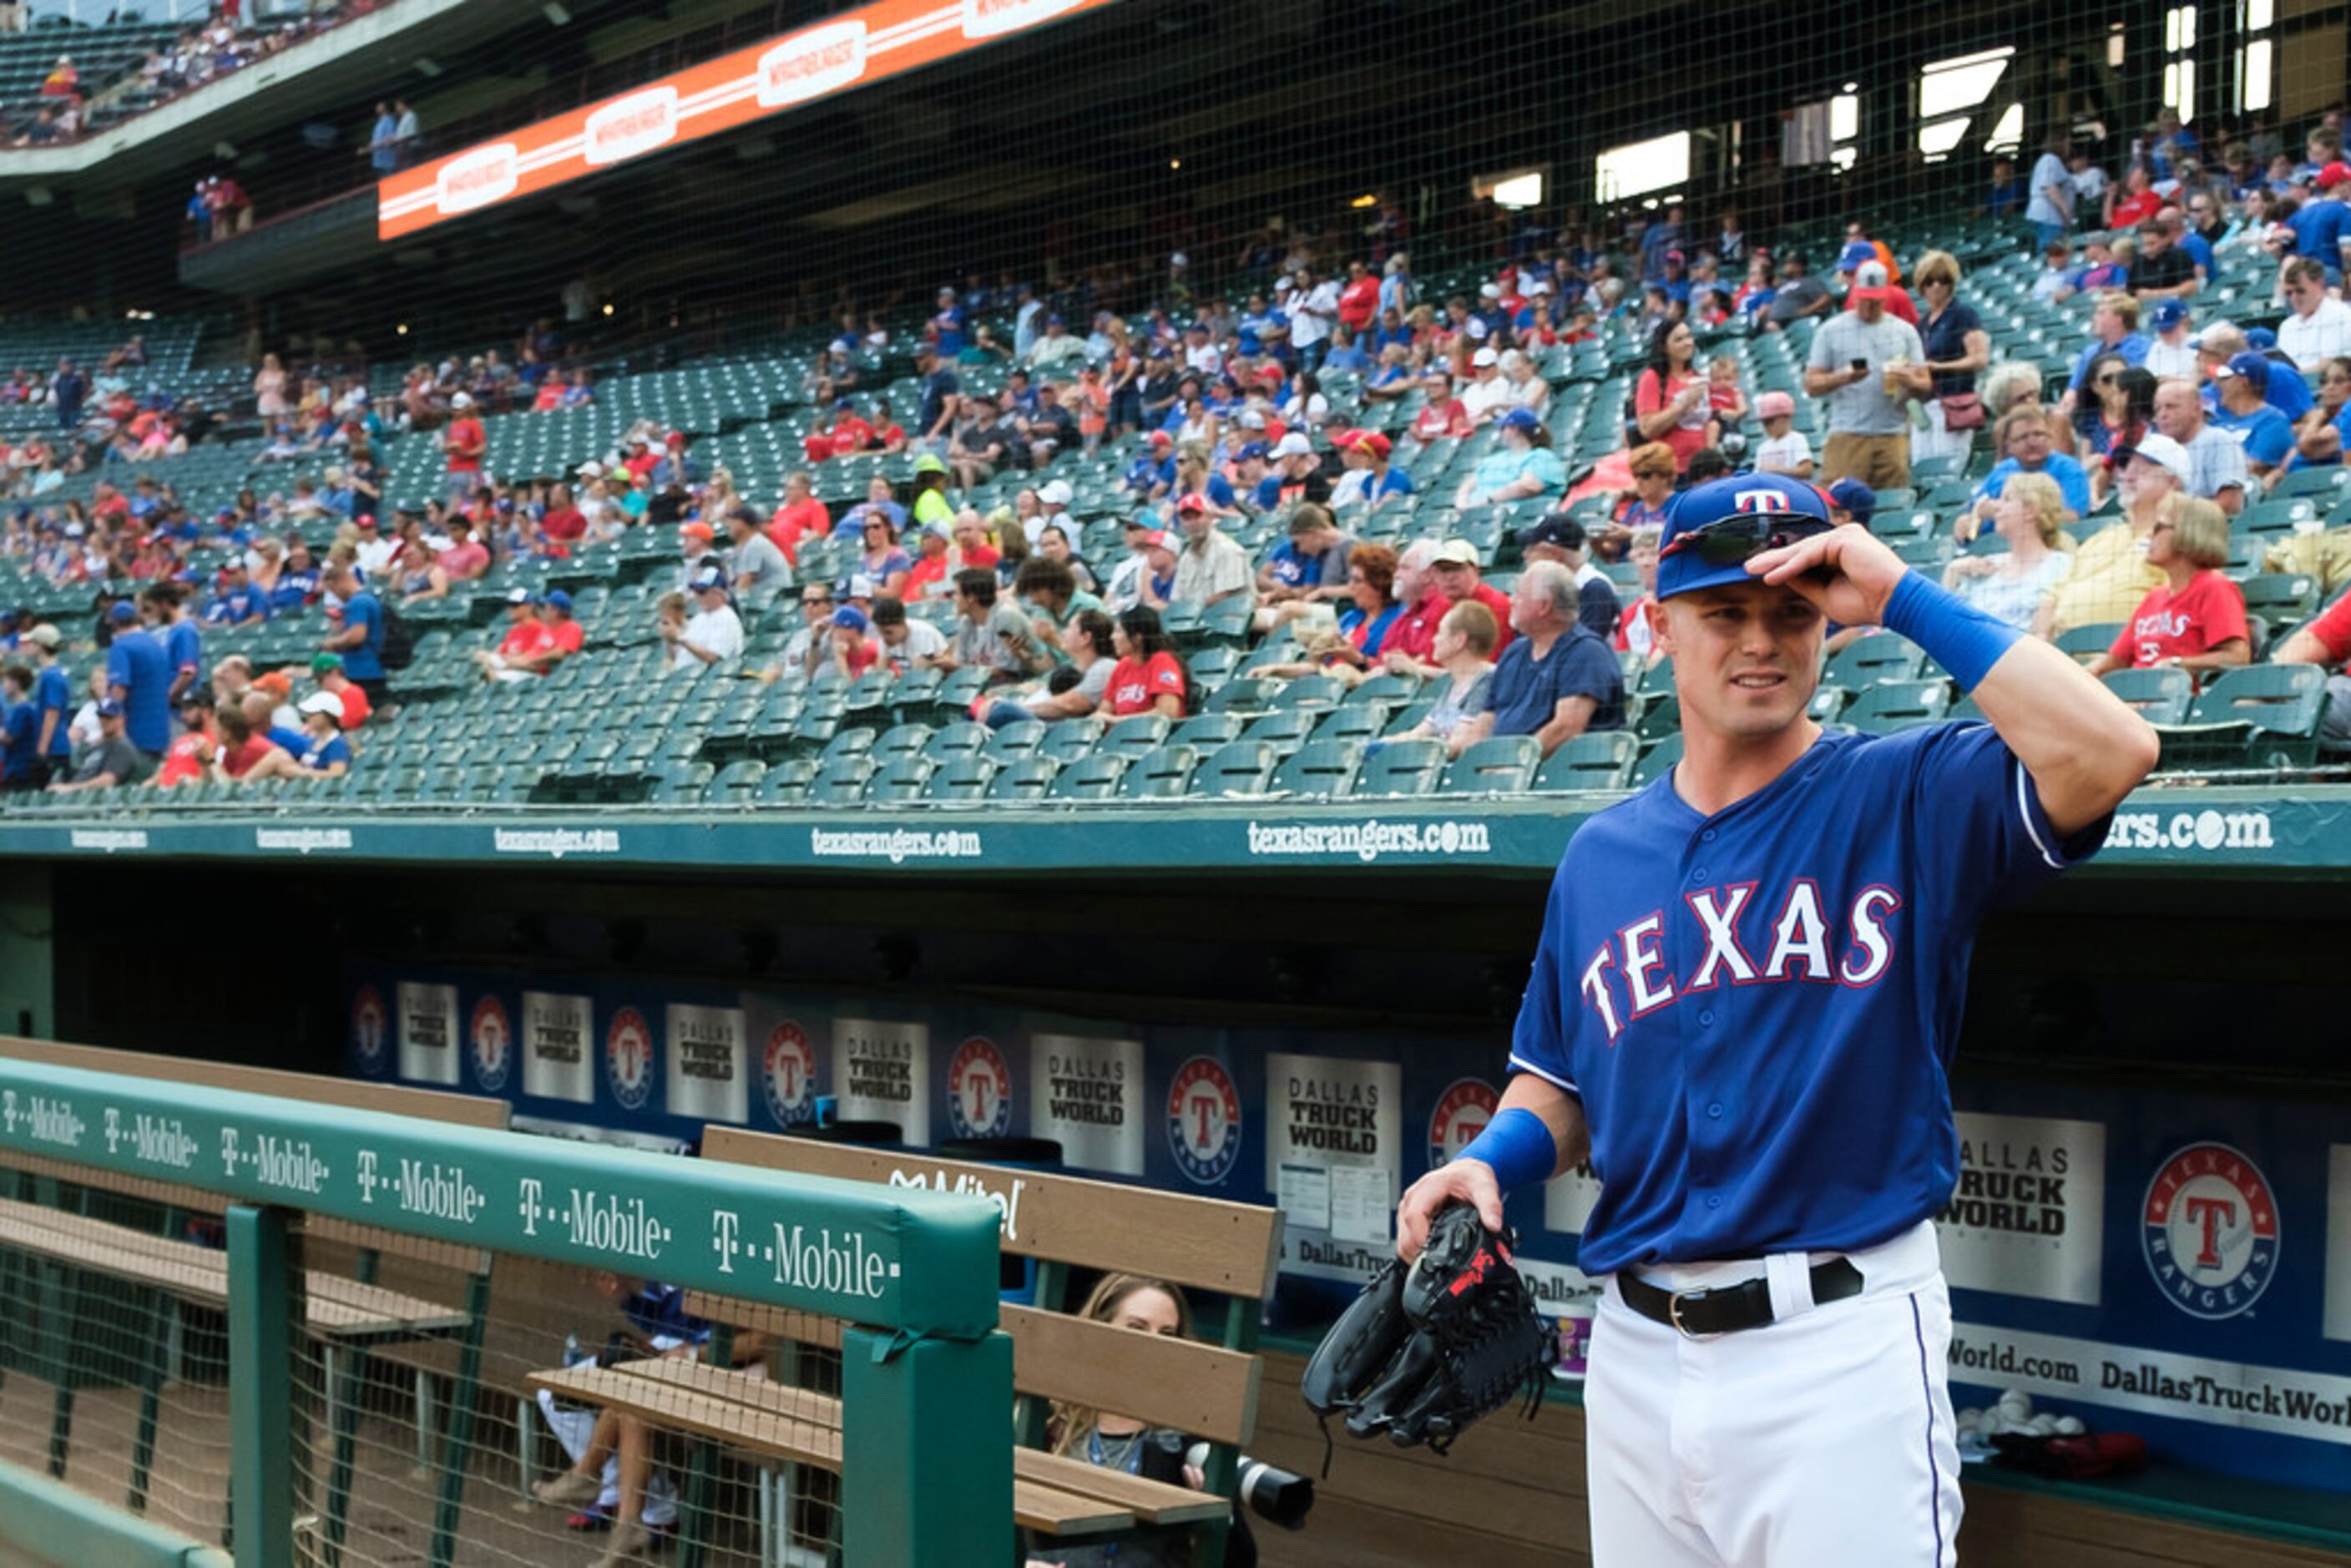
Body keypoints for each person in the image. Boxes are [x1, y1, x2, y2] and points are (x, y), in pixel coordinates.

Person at [1396, 469, 2157, 1568]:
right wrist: (1492, 1160)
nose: (1762, 639)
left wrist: (1895, 591)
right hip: (1635, 1352)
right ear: (1660, 627)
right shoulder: (1602, 853)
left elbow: (2113, 750)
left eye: (1791, 611)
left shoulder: (1906, 792)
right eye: (1725, 612)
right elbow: (1561, 1074)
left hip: (1836, 1345)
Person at [533, 1273, 769, 1568]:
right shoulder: (677, 1254)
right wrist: (626, 1299)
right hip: (683, 1367)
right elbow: (662, 1322)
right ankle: (625, 1522)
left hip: (731, 1378)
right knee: (630, 1407)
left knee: (631, 1403)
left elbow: (758, 1344)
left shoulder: (740, 1263)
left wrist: (694, 1353)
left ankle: (590, 1477)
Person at [1447, 560, 1625, 759]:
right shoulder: (1514, 652)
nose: (1512, 601)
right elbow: (1486, 719)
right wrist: (1475, 763)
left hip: (1551, 775)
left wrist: (1515, 764)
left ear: (1543, 606)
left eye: (1519, 595)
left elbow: (1567, 727)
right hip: (1500, 772)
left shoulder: (1587, 652)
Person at [2085, 498, 2250, 676]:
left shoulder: (2214, 587)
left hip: (2174, 696)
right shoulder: (2155, 596)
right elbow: (2115, 660)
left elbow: (2237, 657)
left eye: (2158, 528)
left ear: (2189, 533)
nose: (2148, 536)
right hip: (2136, 694)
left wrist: (2178, 663)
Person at [2046, 436, 2179, 635]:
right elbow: (2051, 597)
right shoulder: (2101, 538)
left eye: (2142, 470)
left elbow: (2182, 604)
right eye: (2125, 468)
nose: (2127, 476)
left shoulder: (2176, 539)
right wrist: (2041, 638)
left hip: (2128, 652)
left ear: (2173, 482)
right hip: (2063, 651)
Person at [1805, 269, 1925, 488]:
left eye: (1875, 300)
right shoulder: (1831, 330)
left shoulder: (1904, 331)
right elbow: (1811, 385)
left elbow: (1925, 384)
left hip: (1893, 434)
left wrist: (1909, 380)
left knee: (1893, 508)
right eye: (1864, 299)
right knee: (1838, 506)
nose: (1869, 306)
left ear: (1887, 296)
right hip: (1847, 434)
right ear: (1854, 293)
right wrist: (1843, 377)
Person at [1941, 472, 2075, 635]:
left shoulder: (2062, 567)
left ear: (2030, 510)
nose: (1996, 506)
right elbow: (1946, 628)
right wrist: (1952, 571)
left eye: (2006, 499)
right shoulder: (1983, 566)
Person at [1894, 250, 1990, 468]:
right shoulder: (1922, 325)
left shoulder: (1964, 314)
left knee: (1948, 468)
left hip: (1955, 404)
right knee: (1922, 466)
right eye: (1930, 281)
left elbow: (1980, 359)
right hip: (1925, 405)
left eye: (1943, 280)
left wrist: (1938, 367)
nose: (1936, 286)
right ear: (1921, 286)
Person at [1393, 600, 1501, 756]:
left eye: (1440, 632)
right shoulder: (1453, 682)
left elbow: (1460, 743)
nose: (1434, 639)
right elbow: (1419, 733)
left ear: (1459, 640)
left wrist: (1419, 752)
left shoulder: (1486, 681)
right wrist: (1379, 745)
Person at [983, 609, 1117, 728]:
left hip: (1061, 730)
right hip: (1042, 723)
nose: (1063, 632)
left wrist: (1018, 708)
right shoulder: (1071, 666)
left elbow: (1069, 705)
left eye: (1069, 628)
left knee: (1001, 711)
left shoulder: (1104, 666)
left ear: (1086, 638)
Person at [1633, 322, 1716, 475]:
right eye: (1679, 339)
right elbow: (1647, 429)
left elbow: (1710, 421)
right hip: (1670, 472)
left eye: (1689, 337)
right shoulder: (1652, 378)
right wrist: (1682, 405)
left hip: (1701, 471)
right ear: (1664, 347)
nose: (1688, 343)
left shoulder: (1697, 377)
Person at [2208, 352, 2299, 490]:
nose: (2217, 384)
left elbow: (2254, 470)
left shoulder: (2272, 420)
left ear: (2243, 384)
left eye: (2225, 379)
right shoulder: (2217, 421)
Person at [103, 602, 172, 766]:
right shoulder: (157, 645)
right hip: (160, 730)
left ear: (114, 623)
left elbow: (119, 689)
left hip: (134, 732)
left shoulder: (122, 646)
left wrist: (110, 725)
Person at [318, 563, 388, 707]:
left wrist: (332, 643)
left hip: (363, 672)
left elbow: (357, 636)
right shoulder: (365, 598)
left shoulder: (358, 602)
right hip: (367, 669)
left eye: (333, 590)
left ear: (340, 582)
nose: (335, 595)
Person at [1103, 607, 1186, 719]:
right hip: (1121, 735)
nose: (1112, 637)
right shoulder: (1123, 665)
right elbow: (1104, 711)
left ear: (1137, 638)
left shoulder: (1163, 662)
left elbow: (1168, 713)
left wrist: (1117, 721)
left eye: (1118, 631)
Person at [50, 699, 147, 792]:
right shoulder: (99, 745)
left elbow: (106, 781)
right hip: (78, 797)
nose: (104, 721)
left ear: (121, 719)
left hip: (95, 802)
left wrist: (70, 789)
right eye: (101, 717)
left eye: (109, 717)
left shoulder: (122, 747)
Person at [2278, 256, 2351, 369]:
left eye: (2300, 291)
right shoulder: (2287, 326)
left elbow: (2327, 367)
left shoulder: (2340, 314)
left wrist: (2290, 375)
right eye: (2289, 293)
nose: (2294, 298)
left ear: (2319, 284)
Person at [666, 567, 744, 671]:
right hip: (686, 676)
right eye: (696, 591)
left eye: (702, 592)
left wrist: (681, 639)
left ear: (718, 593)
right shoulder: (699, 618)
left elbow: (714, 658)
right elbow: (679, 655)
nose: (697, 596)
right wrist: (670, 639)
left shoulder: (726, 618)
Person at [1751, 392, 1813, 478]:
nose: (1766, 427)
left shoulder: (1797, 439)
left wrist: (1778, 470)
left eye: (1769, 421)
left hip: (1791, 488)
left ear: (1786, 417)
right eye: (1764, 423)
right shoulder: (1762, 447)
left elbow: (1806, 470)